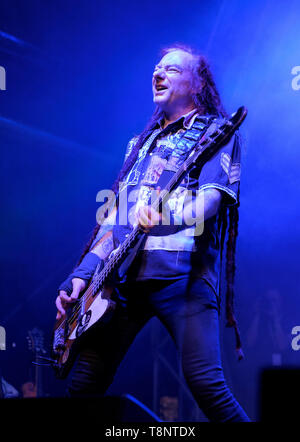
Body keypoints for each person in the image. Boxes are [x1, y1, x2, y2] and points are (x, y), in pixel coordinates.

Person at [55, 44, 250, 422]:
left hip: (183, 279)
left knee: (207, 386)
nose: (158, 74)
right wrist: (80, 276)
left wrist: (163, 216)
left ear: (197, 83)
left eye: (172, 70)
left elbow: (208, 206)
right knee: (82, 386)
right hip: (123, 282)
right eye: (156, 68)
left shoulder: (217, 133)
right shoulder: (140, 143)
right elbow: (113, 221)